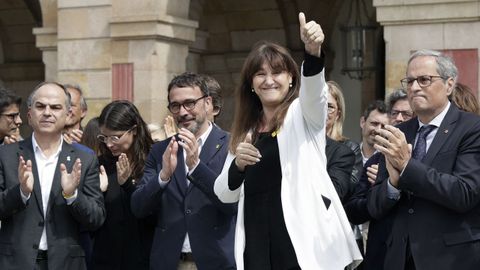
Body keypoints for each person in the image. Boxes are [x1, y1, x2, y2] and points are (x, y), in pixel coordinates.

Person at [214, 12, 362, 270]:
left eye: (277, 72)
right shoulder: (247, 129)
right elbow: (224, 194)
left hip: (300, 244)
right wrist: (238, 165)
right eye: (260, 74)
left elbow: (315, 92)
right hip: (256, 243)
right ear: (251, 84)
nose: (269, 80)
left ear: (292, 77)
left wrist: (313, 52)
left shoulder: (303, 115)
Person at [368, 49, 480, 270]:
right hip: (399, 258)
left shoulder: (472, 128)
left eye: (424, 80)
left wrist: (407, 167)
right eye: (409, 81)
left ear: (449, 85)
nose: (414, 87)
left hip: (451, 259)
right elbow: (374, 206)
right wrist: (392, 185)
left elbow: (464, 193)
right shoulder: (397, 133)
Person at [131, 72, 236, 270]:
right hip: (170, 261)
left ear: (207, 102)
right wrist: (163, 177)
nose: (183, 112)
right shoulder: (160, 150)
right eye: (175, 106)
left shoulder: (231, 145)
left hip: (217, 261)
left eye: (190, 103)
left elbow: (231, 204)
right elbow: (138, 207)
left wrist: (196, 166)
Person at [0, 82, 105, 270]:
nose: (47, 112)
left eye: (55, 107)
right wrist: (21, 192)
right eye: (40, 106)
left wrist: (72, 196)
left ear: (67, 115)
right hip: (16, 261)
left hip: (66, 263)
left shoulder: (85, 158)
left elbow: (96, 218)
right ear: (29, 114)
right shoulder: (5, 155)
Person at [344, 88, 414, 270]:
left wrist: (401, 180)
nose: (399, 118)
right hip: (381, 256)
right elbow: (353, 209)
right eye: (394, 113)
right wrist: (384, 188)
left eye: (406, 114)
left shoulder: (430, 155)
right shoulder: (377, 159)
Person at [92, 100, 154, 270]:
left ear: (133, 130)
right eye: (104, 137)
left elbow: (152, 213)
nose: (109, 143)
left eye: (115, 137)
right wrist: (97, 193)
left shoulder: (153, 161)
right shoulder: (100, 165)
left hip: (143, 258)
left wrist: (128, 185)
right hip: (106, 258)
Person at [326, 81, 362, 184]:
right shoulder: (302, 144)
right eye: (320, 104)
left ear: (338, 114)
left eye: (330, 107)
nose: (323, 110)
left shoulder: (350, 148)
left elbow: (346, 189)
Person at [359, 100, 389, 165]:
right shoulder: (349, 154)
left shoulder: (389, 160)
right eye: (374, 123)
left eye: (383, 126)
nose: (378, 130)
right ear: (362, 122)